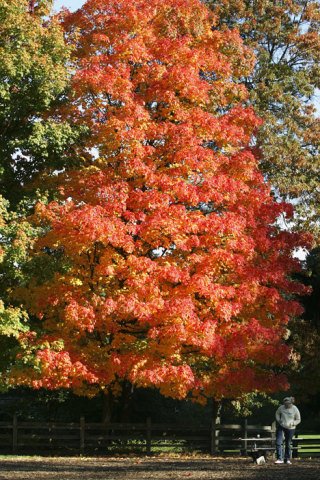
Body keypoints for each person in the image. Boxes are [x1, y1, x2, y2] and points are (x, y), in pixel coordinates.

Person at [274, 396, 301, 464]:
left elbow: (298, 419)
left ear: (291, 403)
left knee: (288, 443)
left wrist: (293, 423)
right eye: (285, 404)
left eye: (287, 404)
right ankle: (280, 459)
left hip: (290, 428)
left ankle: (287, 459)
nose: (286, 405)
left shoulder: (295, 409)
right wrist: (279, 420)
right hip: (281, 426)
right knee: (278, 442)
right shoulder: (281, 408)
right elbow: (277, 413)